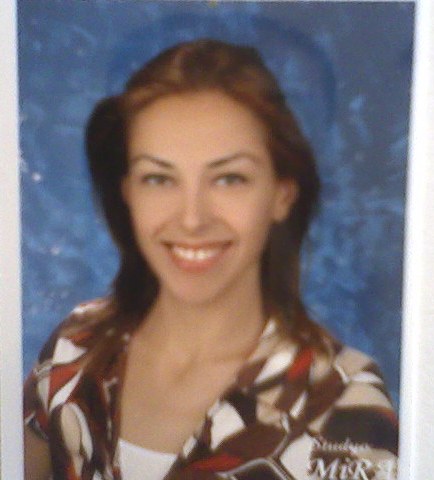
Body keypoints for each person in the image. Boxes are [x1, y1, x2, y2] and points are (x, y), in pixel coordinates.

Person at [23, 39, 398, 480]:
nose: (192, 218)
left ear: (282, 194)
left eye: (229, 178)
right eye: (158, 178)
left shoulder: (346, 408)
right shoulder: (73, 350)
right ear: (127, 193)